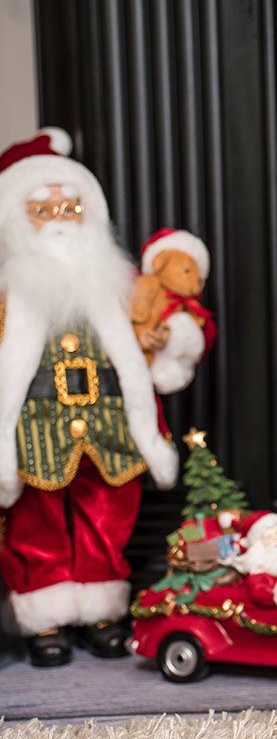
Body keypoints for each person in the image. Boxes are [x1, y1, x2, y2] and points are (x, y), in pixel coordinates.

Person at [0, 128, 180, 667]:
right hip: (37, 428)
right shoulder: (11, 295)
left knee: (109, 518)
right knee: (38, 523)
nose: (60, 215)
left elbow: (140, 352)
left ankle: (102, 610)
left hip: (108, 426)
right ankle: (44, 618)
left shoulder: (114, 285)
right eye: (43, 208)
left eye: (72, 204)